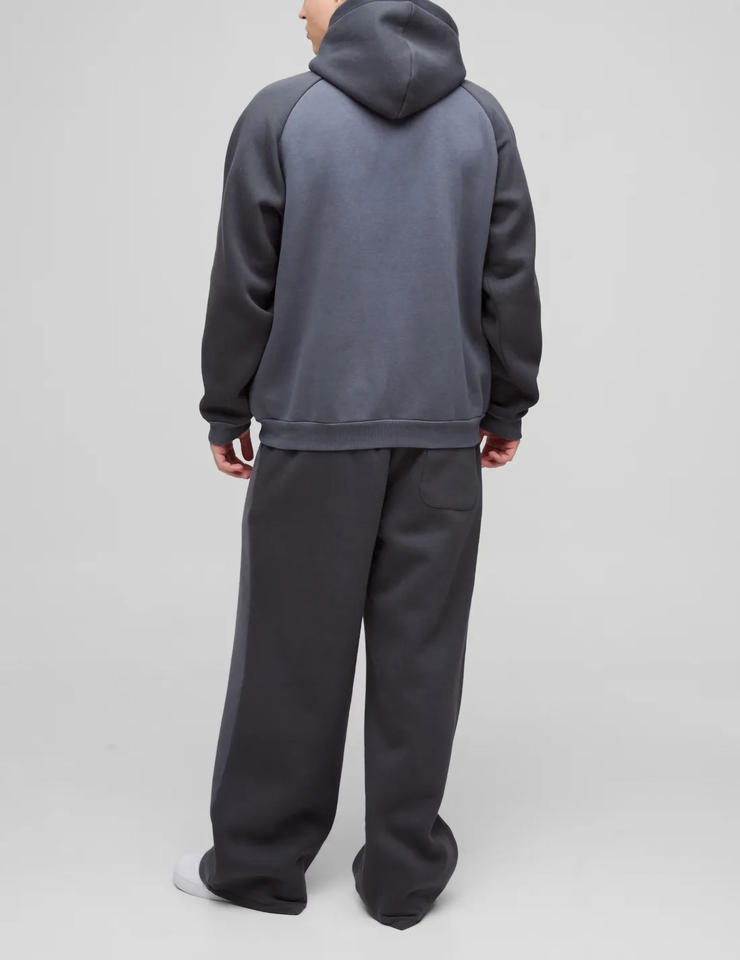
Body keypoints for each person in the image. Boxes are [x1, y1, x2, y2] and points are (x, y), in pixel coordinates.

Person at [174, 0, 542, 931]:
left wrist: (226, 404)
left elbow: (243, 277)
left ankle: (258, 866)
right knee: (424, 658)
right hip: (443, 433)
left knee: (289, 653)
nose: (296, 7)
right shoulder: (481, 119)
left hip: (313, 429)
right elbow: (508, 274)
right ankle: (404, 880)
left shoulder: (282, 114)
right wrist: (506, 402)